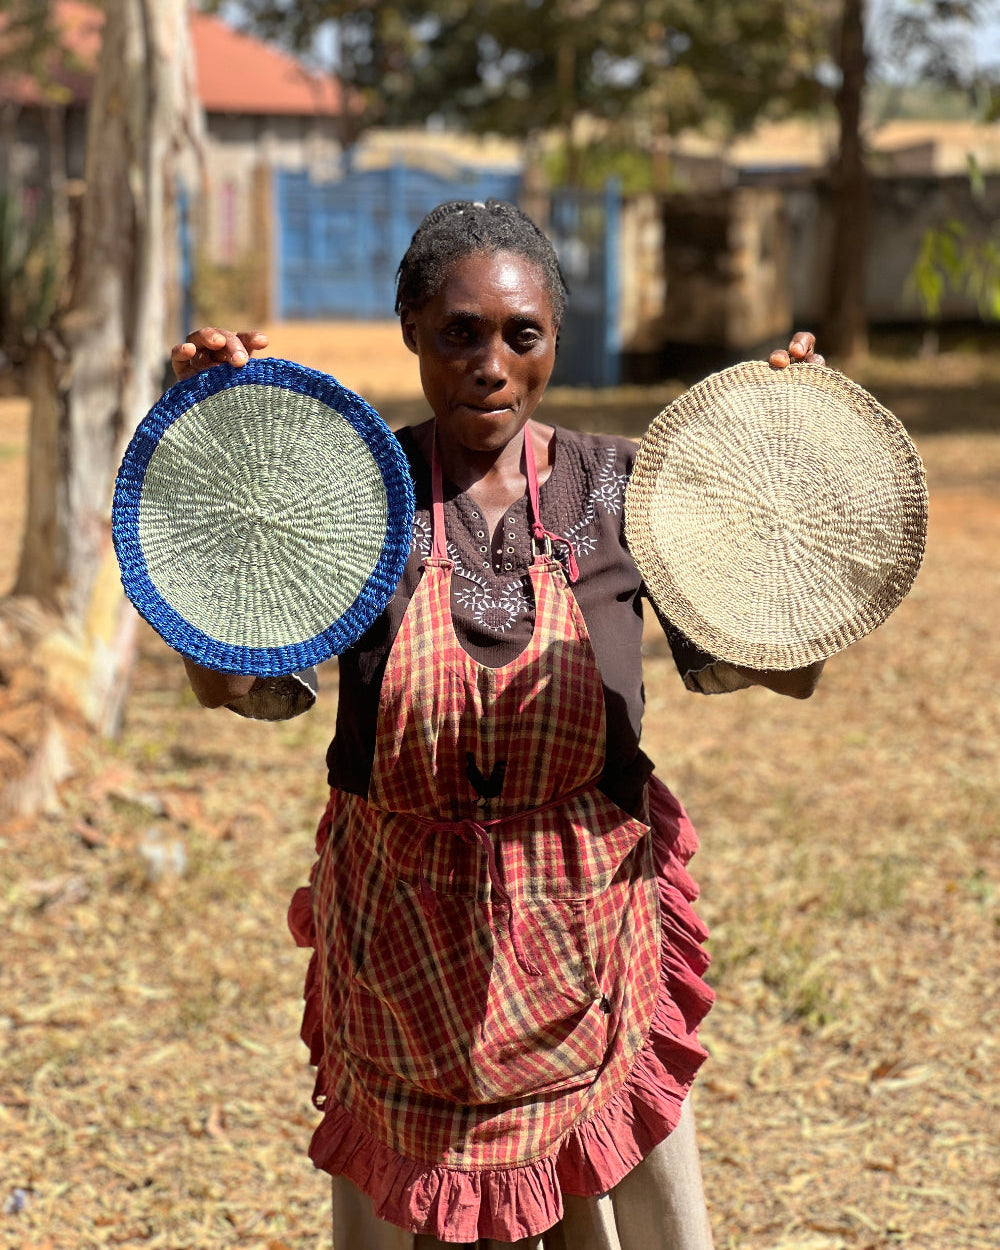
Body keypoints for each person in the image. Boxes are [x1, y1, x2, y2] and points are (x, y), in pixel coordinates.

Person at [173, 199, 826, 1250]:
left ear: (554, 340)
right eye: (457, 332)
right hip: (401, 948)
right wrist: (210, 451)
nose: (489, 361)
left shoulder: (625, 492)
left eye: (520, 334)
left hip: (591, 943)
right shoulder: (350, 495)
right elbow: (239, 686)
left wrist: (788, 464)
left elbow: (778, 668)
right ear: (411, 333)